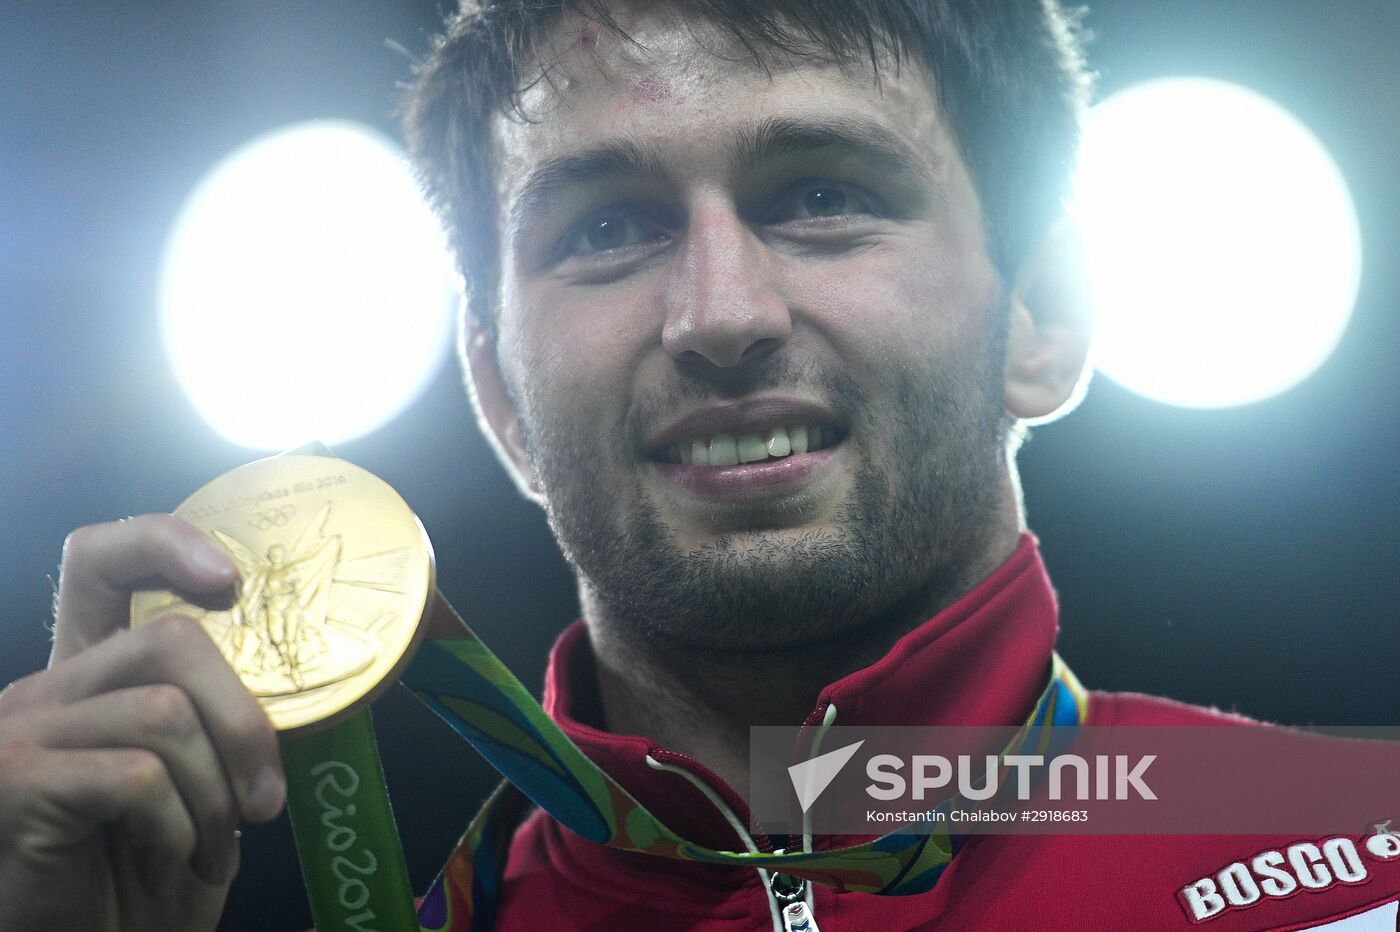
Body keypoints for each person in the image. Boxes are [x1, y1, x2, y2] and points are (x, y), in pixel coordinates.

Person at [0, 1, 1396, 930]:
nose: (721, 314)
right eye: (608, 229)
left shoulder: (1359, 854)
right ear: (494, 389)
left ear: (1042, 317)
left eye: (824, 197)